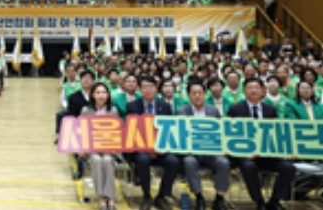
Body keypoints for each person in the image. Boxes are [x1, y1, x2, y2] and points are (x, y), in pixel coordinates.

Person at [228, 77, 295, 210]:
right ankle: (259, 202)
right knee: (249, 166)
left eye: (256, 88)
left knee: (288, 168)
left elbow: (275, 134)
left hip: (267, 153)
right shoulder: (235, 109)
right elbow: (230, 134)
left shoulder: (270, 110)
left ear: (262, 91)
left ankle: (274, 201)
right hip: (245, 154)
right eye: (249, 88)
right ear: (244, 91)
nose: (253, 90)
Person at [125, 75, 179, 210]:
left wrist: (161, 148)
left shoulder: (165, 106)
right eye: (144, 87)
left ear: (156, 88)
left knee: (173, 161)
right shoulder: (132, 106)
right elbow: (131, 132)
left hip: (160, 147)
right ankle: (147, 195)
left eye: (151, 86)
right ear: (140, 89)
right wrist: (147, 149)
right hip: (142, 148)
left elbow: (169, 130)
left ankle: (162, 196)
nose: (148, 90)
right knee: (142, 160)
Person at [177, 80, 229, 210]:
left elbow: (221, 132)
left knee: (223, 162)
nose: (197, 96)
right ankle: (199, 196)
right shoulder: (181, 111)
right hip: (192, 152)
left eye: (200, 93)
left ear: (205, 94)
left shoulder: (213, 111)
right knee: (189, 162)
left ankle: (219, 198)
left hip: (211, 152)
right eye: (194, 93)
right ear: (189, 95)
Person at [81, 83, 118, 210]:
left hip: (109, 147)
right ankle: (101, 197)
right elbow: (82, 131)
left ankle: (110, 197)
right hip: (92, 148)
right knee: (96, 160)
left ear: (108, 95)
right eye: (98, 92)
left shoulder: (113, 110)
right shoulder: (86, 111)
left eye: (103, 92)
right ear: (92, 95)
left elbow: (117, 132)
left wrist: (113, 147)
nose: (101, 95)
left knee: (107, 160)